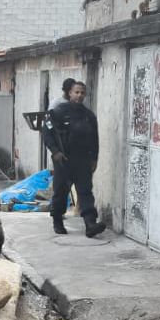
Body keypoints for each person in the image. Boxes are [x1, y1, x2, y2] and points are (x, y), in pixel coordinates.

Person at [42, 81, 106, 238]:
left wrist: (94, 158)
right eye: (76, 92)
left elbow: (94, 139)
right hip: (63, 159)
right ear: (70, 93)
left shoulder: (89, 116)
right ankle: (57, 221)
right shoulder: (58, 112)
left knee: (85, 192)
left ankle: (90, 224)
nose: (79, 95)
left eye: (82, 93)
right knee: (61, 191)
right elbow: (47, 132)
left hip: (82, 160)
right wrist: (55, 152)